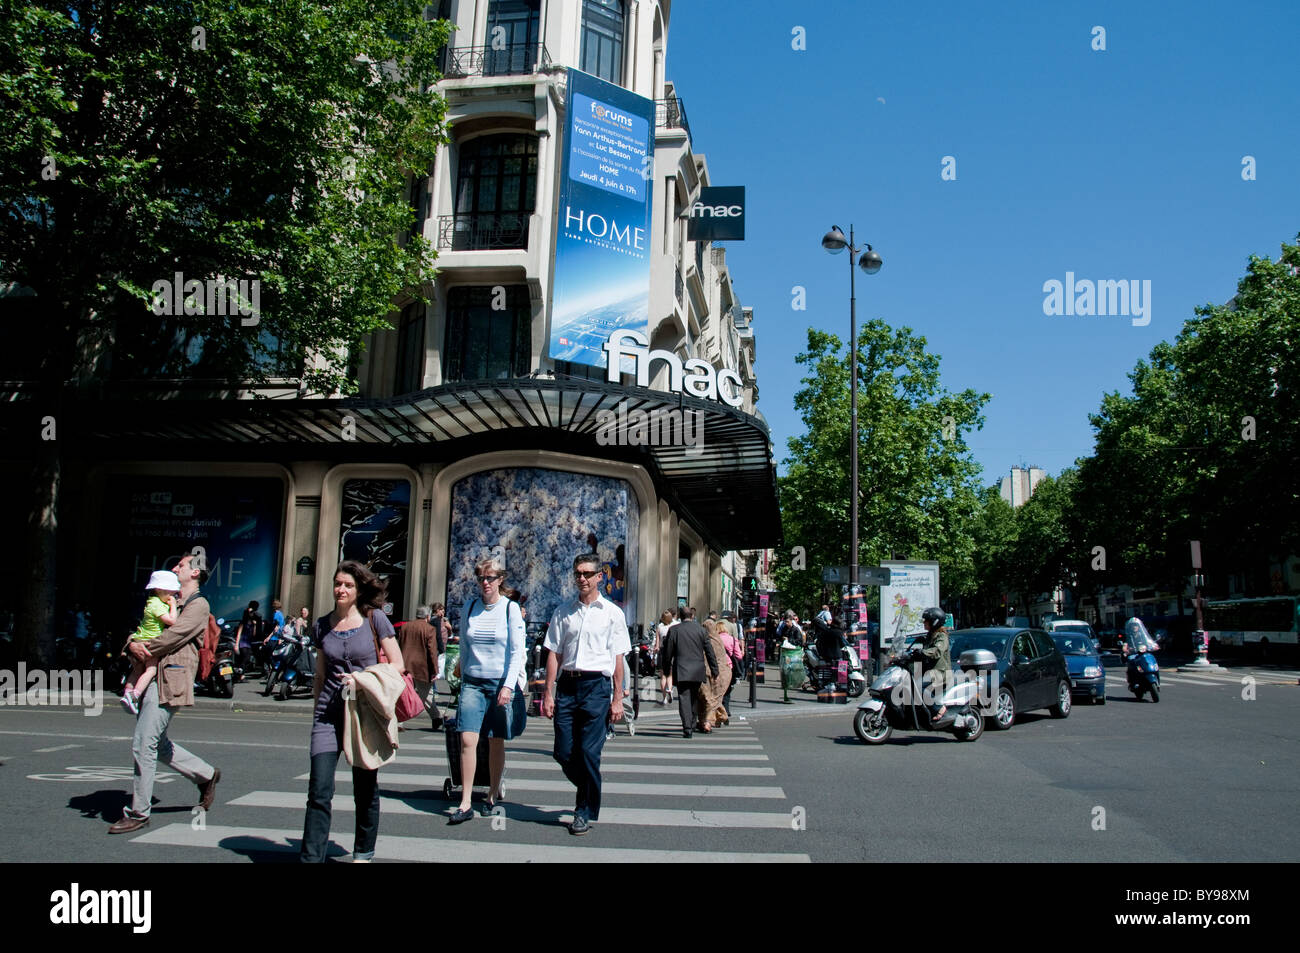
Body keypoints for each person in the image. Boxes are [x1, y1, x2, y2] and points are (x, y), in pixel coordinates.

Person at [108, 554, 221, 834]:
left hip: (169, 680)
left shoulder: (198, 605)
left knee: (143, 742)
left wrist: (138, 647)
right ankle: (206, 775)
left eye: (180, 565)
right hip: (151, 677)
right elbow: (143, 629)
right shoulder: (167, 600)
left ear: (195, 573)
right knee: (156, 743)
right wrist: (131, 642)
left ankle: (138, 812)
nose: (174, 568)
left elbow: (174, 636)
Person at [301, 560, 404, 862]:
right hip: (328, 716)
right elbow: (320, 675)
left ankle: (363, 851)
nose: (341, 589)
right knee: (319, 790)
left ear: (358, 590)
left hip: (362, 714)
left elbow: (397, 665)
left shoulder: (375, 620)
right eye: (337, 583)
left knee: (365, 788)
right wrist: (317, 710)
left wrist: (361, 679)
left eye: (347, 585)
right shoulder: (322, 625)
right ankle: (311, 859)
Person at [541, 552, 629, 835]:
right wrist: (548, 692)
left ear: (599, 577)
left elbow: (618, 659)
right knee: (563, 751)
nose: (582, 578)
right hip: (567, 685)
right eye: (578, 573)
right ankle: (590, 790)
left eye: (588, 574)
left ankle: (583, 810)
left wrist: (618, 699)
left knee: (589, 752)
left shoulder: (613, 614)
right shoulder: (563, 611)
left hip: (596, 688)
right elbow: (553, 653)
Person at [448, 558, 527, 824]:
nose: (485, 582)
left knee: (495, 740)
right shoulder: (470, 607)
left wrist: (508, 685)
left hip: (498, 682)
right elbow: (465, 645)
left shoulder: (510, 609)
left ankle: (492, 792)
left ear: (500, 580)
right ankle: (466, 800)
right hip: (473, 681)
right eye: (481, 577)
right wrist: (462, 672)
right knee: (467, 740)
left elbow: (517, 651)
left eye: (490, 578)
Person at [119, 570, 181, 715]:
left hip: (139, 638)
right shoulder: (157, 605)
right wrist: (173, 606)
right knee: (151, 670)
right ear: (159, 589)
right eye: (171, 593)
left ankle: (127, 693)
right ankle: (134, 695)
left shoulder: (151, 602)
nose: (173, 596)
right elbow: (172, 621)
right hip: (149, 642)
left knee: (137, 670)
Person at [659, 606, 718, 738]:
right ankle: (691, 723)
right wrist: (715, 669)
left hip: (682, 670)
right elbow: (709, 651)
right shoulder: (701, 631)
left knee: (684, 698)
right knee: (694, 698)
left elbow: (668, 652)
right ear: (692, 616)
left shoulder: (674, 630)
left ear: (680, 616)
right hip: (697, 670)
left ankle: (687, 727)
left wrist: (666, 668)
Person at [396, 605, 443, 732]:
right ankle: (436, 717)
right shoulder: (429, 629)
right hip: (422, 668)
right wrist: (435, 671)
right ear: (427, 616)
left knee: (403, 695)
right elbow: (432, 652)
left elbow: (399, 646)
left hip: (405, 666)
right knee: (426, 695)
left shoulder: (405, 627)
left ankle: (400, 722)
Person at [912, 607, 951, 722]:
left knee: (918, 687)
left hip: (941, 673)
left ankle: (940, 708)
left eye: (926, 620)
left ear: (934, 622)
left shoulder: (942, 636)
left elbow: (936, 651)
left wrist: (922, 652)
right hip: (930, 671)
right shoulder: (930, 635)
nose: (924, 622)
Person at [698, 618, 732, 730]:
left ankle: (707, 722)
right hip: (725, 673)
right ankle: (721, 716)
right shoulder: (718, 640)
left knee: (708, 699)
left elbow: (707, 658)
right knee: (716, 698)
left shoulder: (707, 641)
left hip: (712, 673)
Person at [718, 611, 745, 716]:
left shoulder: (714, 639)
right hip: (729, 666)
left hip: (716, 666)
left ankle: (717, 710)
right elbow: (738, 656)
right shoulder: (732, 639)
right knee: (727, 689)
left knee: (717, 689)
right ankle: (726, 709)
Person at [654, 609, 675, 705]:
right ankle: (670, 689)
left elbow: (657, 645)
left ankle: (664, 698)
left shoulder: (659, 628)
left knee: (663, 677)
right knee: (670, 675)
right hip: (671, 652)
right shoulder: (673, 627)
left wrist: (654, 655)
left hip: (662, 652)